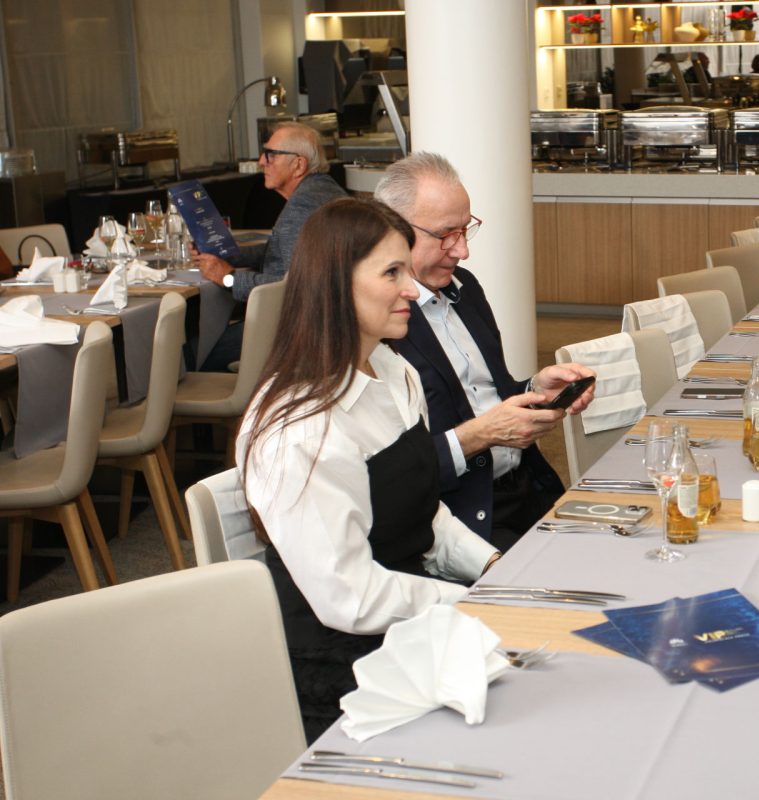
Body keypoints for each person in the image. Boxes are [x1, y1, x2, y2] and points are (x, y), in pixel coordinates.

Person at [237, 197, 500, 742]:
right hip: (343, 668)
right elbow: (350, 598)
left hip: (407, 623)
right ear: (336, 284)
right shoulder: (301, 429)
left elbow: (423, 512)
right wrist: (468, 604)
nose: (413, 289)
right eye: (392, 273)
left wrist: (492, 567)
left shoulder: (392, 369)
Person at [374, 153, 595, 552]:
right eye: (445, 235)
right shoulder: (381, 321)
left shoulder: (465, 289)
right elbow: (388, 474)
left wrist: (534, 389)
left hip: (527, 489)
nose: (462, 251)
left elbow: (486, 396)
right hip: (461, 516)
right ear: (394, 232)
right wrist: (480, 435)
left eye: (465, 230)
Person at [195, 121, 346, 371]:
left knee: (194, 353)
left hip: (298, 331)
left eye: (270, 155)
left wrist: (228, 278)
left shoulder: (301, 208)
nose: (261, 162)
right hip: (328, 322)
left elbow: (291, 287)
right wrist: (229, 255)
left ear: (298, 165)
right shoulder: (323, 190)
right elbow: (279, 250)